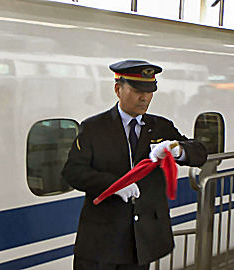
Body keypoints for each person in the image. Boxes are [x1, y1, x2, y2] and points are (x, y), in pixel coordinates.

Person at [62, 60, 207, 270]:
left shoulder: (160, 127)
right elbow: (73, 172)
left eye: (150, 91)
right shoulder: (94, 128)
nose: (145, 97)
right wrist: (114, 184)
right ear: (117, 89)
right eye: (138, 90)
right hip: (101, 240)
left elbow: (200, 152)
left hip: (140, 241)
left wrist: (178, 150)